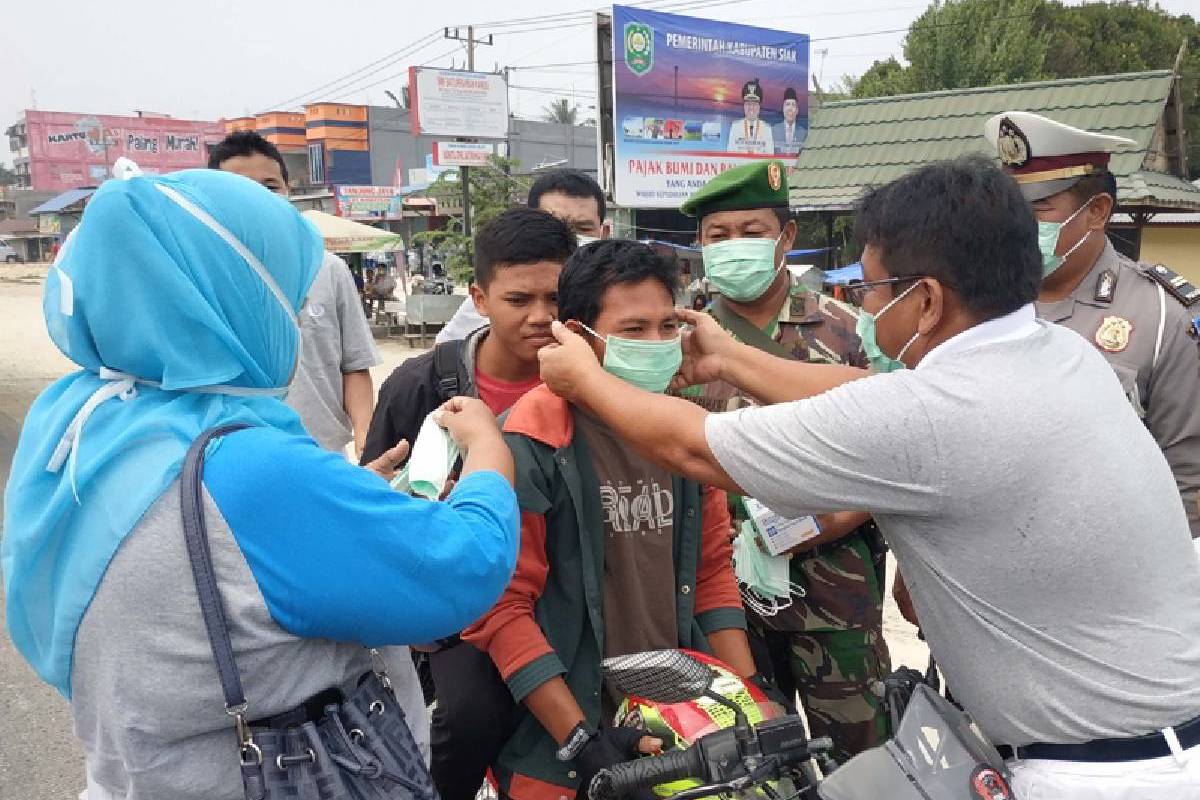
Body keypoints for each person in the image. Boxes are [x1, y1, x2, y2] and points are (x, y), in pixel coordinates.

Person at [537, 156, 1200, 799]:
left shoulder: (933, 419)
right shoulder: (1061, 354)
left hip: (1101, 775)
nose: (866, 308)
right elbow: (866, 389)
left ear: (928, 299)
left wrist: (588, 380)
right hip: (1158, 740)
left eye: (872, 290)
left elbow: (694, 449)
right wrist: (735, 361)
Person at [1, 168, 521, 799]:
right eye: (286, 297)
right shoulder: (248, 467)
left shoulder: (78, 421)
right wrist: (490, 451)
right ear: (230, 300)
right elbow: (463, 567)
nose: (296, 319)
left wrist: (342, 502)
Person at [463, 240, 757, 800]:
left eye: (668, 326)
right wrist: (581, 739)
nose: (656, 344)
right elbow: (502, 608)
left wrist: (747, 696)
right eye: (633, 329)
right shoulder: (528, 443)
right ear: (577, 336)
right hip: (560, 742)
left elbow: (713, 574)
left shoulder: (685, 431)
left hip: (678, 721)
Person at [679, 159, 890, 763]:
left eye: (752, 231)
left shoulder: (850, 332)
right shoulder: (679, 337)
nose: (733, 247)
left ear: (787, 237)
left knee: (861, 761)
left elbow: (891, 457)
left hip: (835, 598)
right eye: (718, 237)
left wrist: (800, 530)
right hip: (720, 608)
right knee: (747, 764)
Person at [361, 206, 574, 800]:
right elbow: (377, 503)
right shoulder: (418, 386)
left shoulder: (591, 380)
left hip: (573, 593)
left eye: (556, 298)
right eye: (518, 299)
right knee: (469, 716)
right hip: (463, 612)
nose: (540, 316)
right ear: (479, 298)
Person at [985, 110, 1200, 539]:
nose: (1015, 227)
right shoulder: (979, 304)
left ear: (1097, 211)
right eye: (1010, 209)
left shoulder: (1161, 316)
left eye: (1038, 209)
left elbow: (1188, 487)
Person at [208, 131, 380, 457]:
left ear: (289, 191)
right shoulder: (201, 274)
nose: (258, 197)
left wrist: (365, 432)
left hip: (323, 453)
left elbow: (354, 365)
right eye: (239, 188)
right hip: (230, 458)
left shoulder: (328, 269)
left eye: (270, 186)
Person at [436, 168, 610, 345]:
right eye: (519, 300)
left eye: (583, 228)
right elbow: (447, 352)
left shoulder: (623, 290)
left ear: (604, 233)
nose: (540, 317)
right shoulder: (500, 291)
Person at [726, 79, 774, 155]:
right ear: (744, 106)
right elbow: (730, 156)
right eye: (748, 104)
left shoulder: (767, 129)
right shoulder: (735, 127)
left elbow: (770, 157)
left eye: (754, 104)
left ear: (759, 107)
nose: (751, 107)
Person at [772, 87, 805, 157]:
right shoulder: (773, 131)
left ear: (797, 111)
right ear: (783, 109)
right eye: (787, 104)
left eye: (793, 105)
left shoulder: (804, 133)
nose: (790, 108)